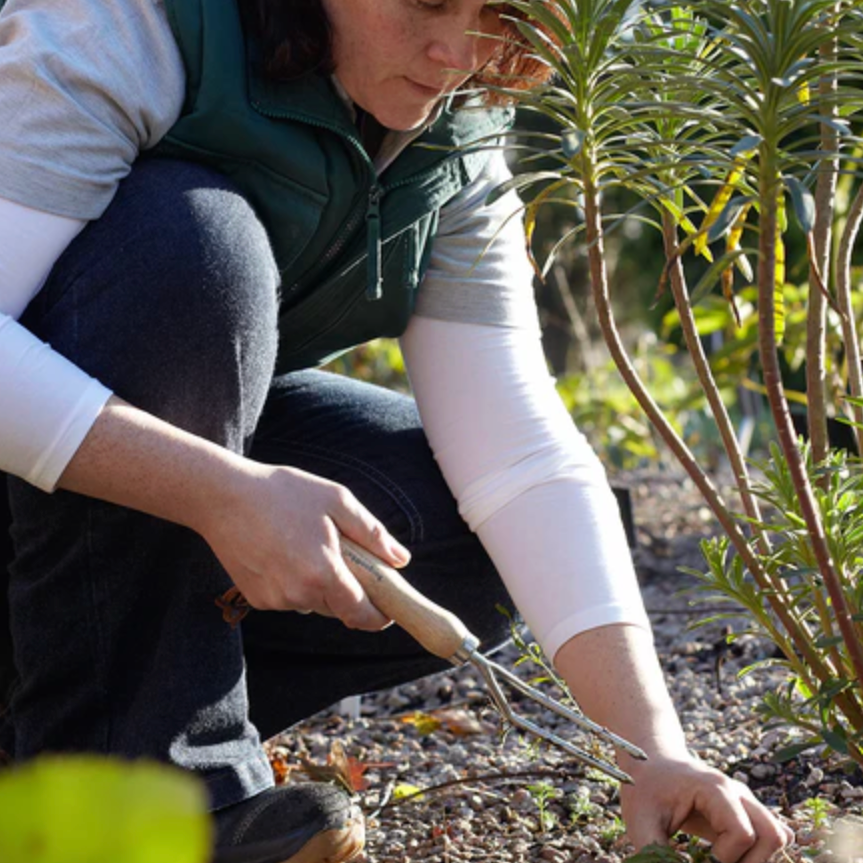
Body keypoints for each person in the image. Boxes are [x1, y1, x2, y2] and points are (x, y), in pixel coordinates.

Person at [0, 1, 793, 862]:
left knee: (459, 538)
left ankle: (53, 746)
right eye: (423, 1)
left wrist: (654, 750)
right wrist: (218, 491)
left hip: (67, 536)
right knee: (186, 246)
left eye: (498, 10)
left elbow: (519, 456)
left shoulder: (452, 139)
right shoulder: (118, 29)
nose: (457, 51)